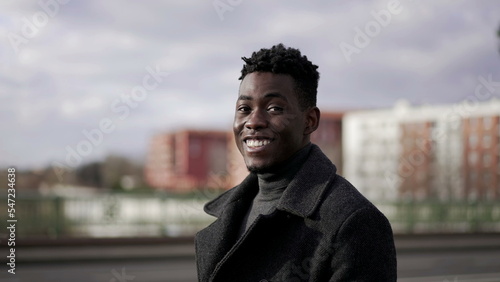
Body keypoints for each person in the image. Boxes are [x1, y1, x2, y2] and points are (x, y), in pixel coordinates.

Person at [195, 43, 397, 281]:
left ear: (309, 121)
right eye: (244, 108)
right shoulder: (230, 213)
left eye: (274, 108)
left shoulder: (354, 223)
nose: (254, 121)